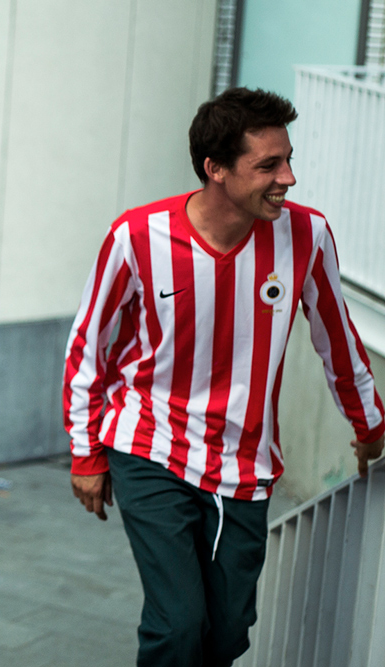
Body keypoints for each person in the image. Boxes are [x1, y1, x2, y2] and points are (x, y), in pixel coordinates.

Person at [62, 88, 384, 666]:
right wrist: (86, 454)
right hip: (149, 444)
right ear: (215, 169)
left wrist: (372, 427)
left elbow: (336, 339)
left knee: (228, 631)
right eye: (268, 165)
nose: (288, 176)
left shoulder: (306, 235)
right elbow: (86, 345)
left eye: (287, 159)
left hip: (247, 460)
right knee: (178, 624)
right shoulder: (138, 237)